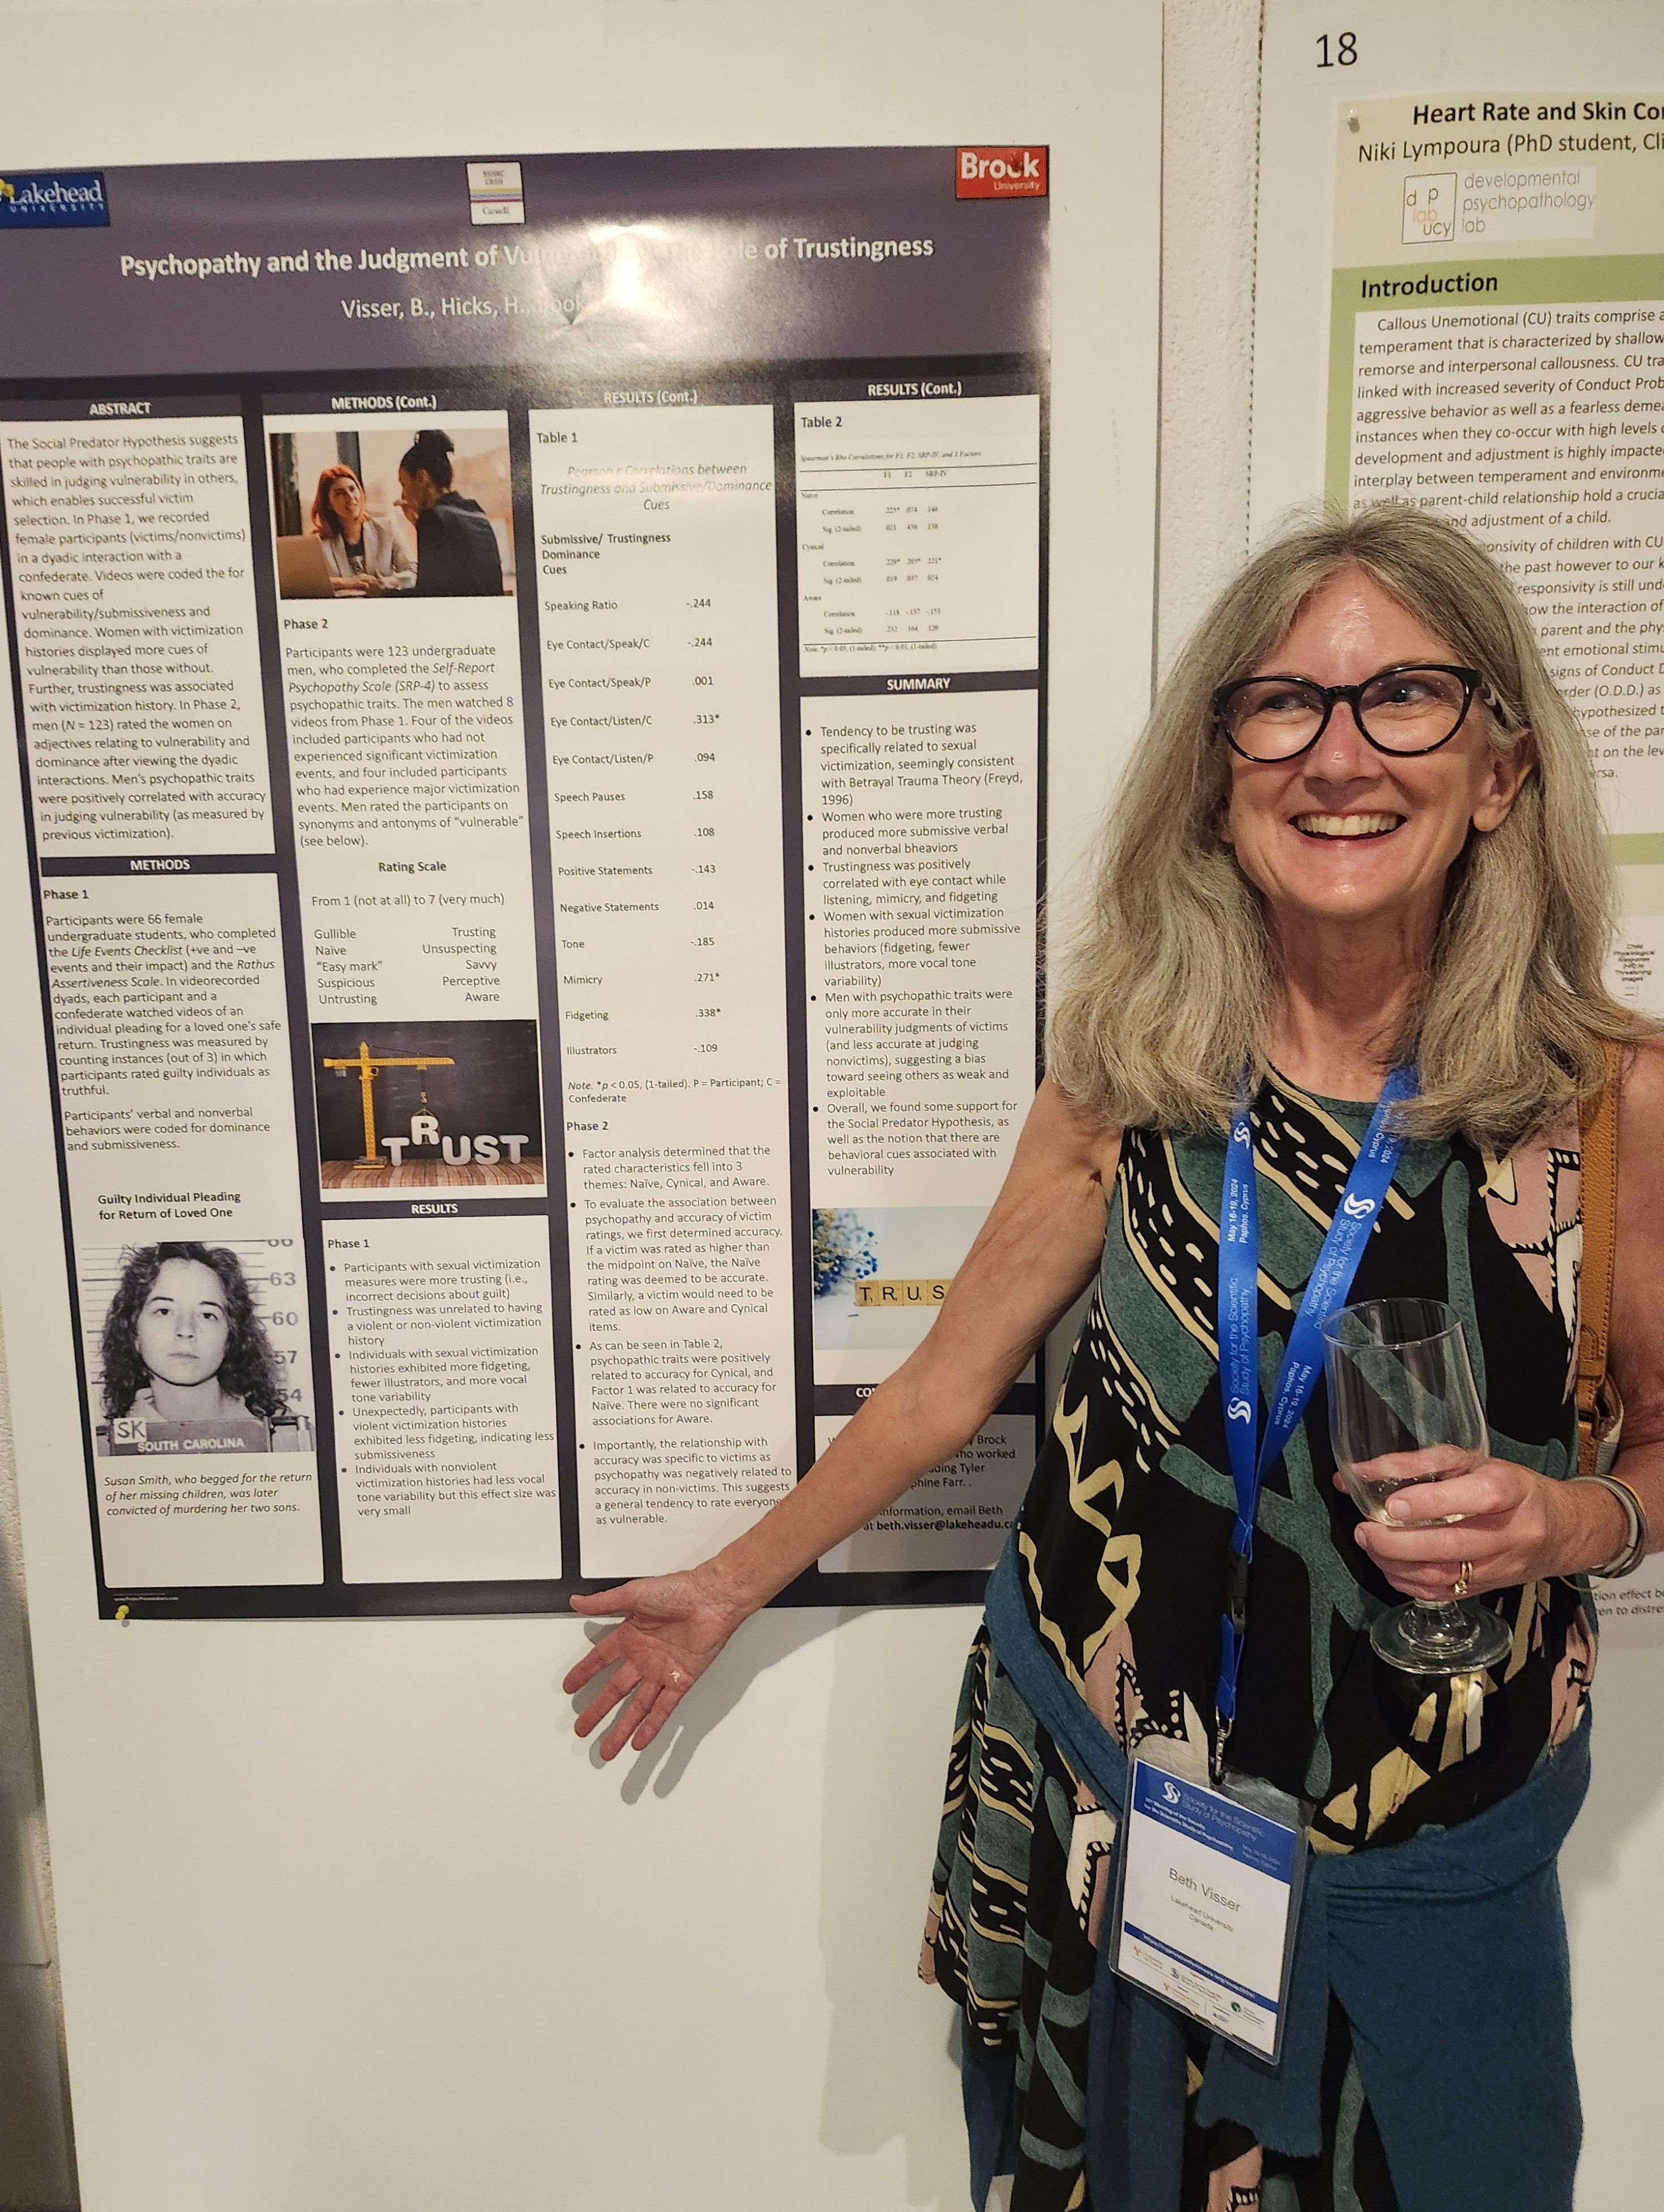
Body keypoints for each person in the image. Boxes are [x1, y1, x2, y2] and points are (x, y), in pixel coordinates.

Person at [566, 504, 1664, 2211]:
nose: (1337, 755)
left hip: (1428, 1851)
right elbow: (943, 1388)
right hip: (1116, 1810)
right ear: (1218, 779)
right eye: (1280, 704)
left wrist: (1571, 1522)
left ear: (1498, 771)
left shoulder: (1605, 1104)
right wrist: (725, 1582)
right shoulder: (1137, 1072)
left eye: (1402, 697)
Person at [99, 1243, 292, 1433]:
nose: (186, 1330)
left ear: (231, 1337)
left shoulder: (285, 1437)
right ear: (133, 1331)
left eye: (207, 1315)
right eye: (164, 1311)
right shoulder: (109, 1444)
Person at [395, 428, 504, 597]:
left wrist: (382, 592)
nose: (404, 495)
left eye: (404, 484)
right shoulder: (475, 510)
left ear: (422, 478)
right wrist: (418, 524)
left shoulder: (432, 518)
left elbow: (426, 595)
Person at [310, 462, 414, 593]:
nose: (350, 498)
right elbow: (310, 583)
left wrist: (385, 583)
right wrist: (348, 583)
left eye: (353, 489)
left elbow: (413, 572)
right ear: (328, 504)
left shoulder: (386, 529)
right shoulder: (318, 543)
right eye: (340, 493)